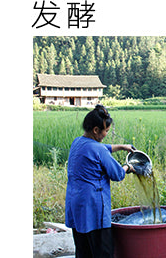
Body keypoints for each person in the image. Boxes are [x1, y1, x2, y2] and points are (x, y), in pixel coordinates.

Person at [65, 104, 134, 258]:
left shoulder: (78, 142)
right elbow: (117, 174)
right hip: (94, 207)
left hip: (76, 205)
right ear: (96, 130)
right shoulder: (98, 150)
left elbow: (99, 148)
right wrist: (129, 167)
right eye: (106, 131)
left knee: (83, 251)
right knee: (103, 253)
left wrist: (122, 147)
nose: (106, 134)